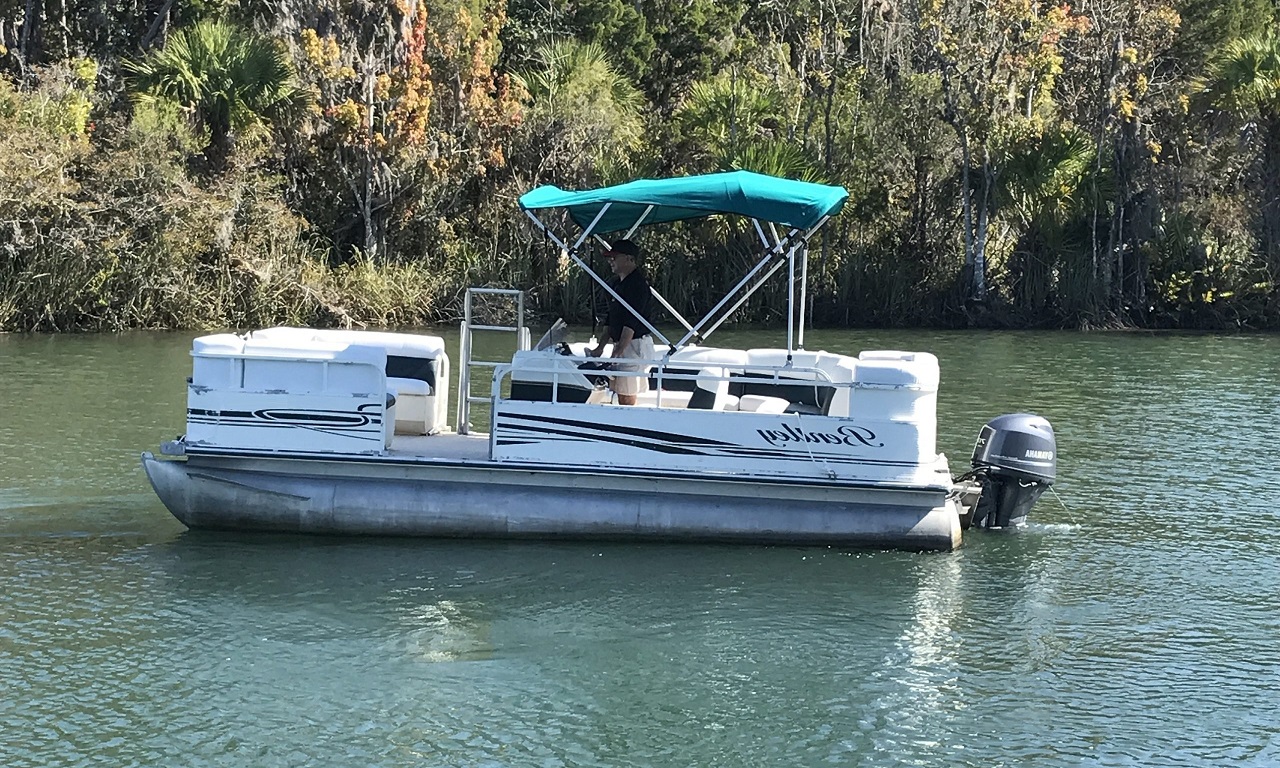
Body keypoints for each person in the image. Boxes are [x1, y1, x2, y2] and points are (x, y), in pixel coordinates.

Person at [589, 239, 655, 405]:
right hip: (624, 343)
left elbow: (631, 322)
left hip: (633, 344)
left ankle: (630, 422)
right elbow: (612, 318)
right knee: (619, 388)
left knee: (626, 392)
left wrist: (618, 352)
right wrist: (601, 347)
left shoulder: (637, 285)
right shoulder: (618, 284)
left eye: (614, 257)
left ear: (629, 259)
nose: (611, 261)